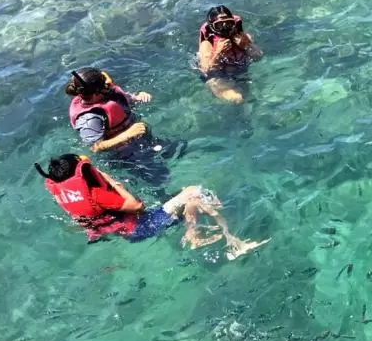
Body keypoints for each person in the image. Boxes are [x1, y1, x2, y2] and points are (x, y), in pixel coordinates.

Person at [38, 154, 268, 260]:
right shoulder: (97, 193)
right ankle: (232, 239)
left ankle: (192, 232)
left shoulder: (65, 194)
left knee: (188, 202)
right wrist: (111, 181)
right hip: (142, 226)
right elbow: (137, 206)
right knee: (195, 192)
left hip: (125, 232)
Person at [65, 67, 173, 186]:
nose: (108, 83)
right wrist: (127, 134)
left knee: (177, 148)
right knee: (160, 177)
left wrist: (138, 97)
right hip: (125, 155)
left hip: (141, 139)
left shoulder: (106, 94)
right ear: (96, 92)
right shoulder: (90, 119)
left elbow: (124, 101)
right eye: (103, 82)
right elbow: (94, 147)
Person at [196, 5, 263, 104]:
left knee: (248, 101)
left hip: (240, 74)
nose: (225, 28)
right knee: (237, 98)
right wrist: (218, 53)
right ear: (212, 27)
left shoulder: (242, 37)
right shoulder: (207, 44)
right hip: (217, 79)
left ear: (234, 23)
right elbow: (205, 70)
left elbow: (259, 57)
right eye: (219, 25)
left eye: (228, 23)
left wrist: (247, 46)